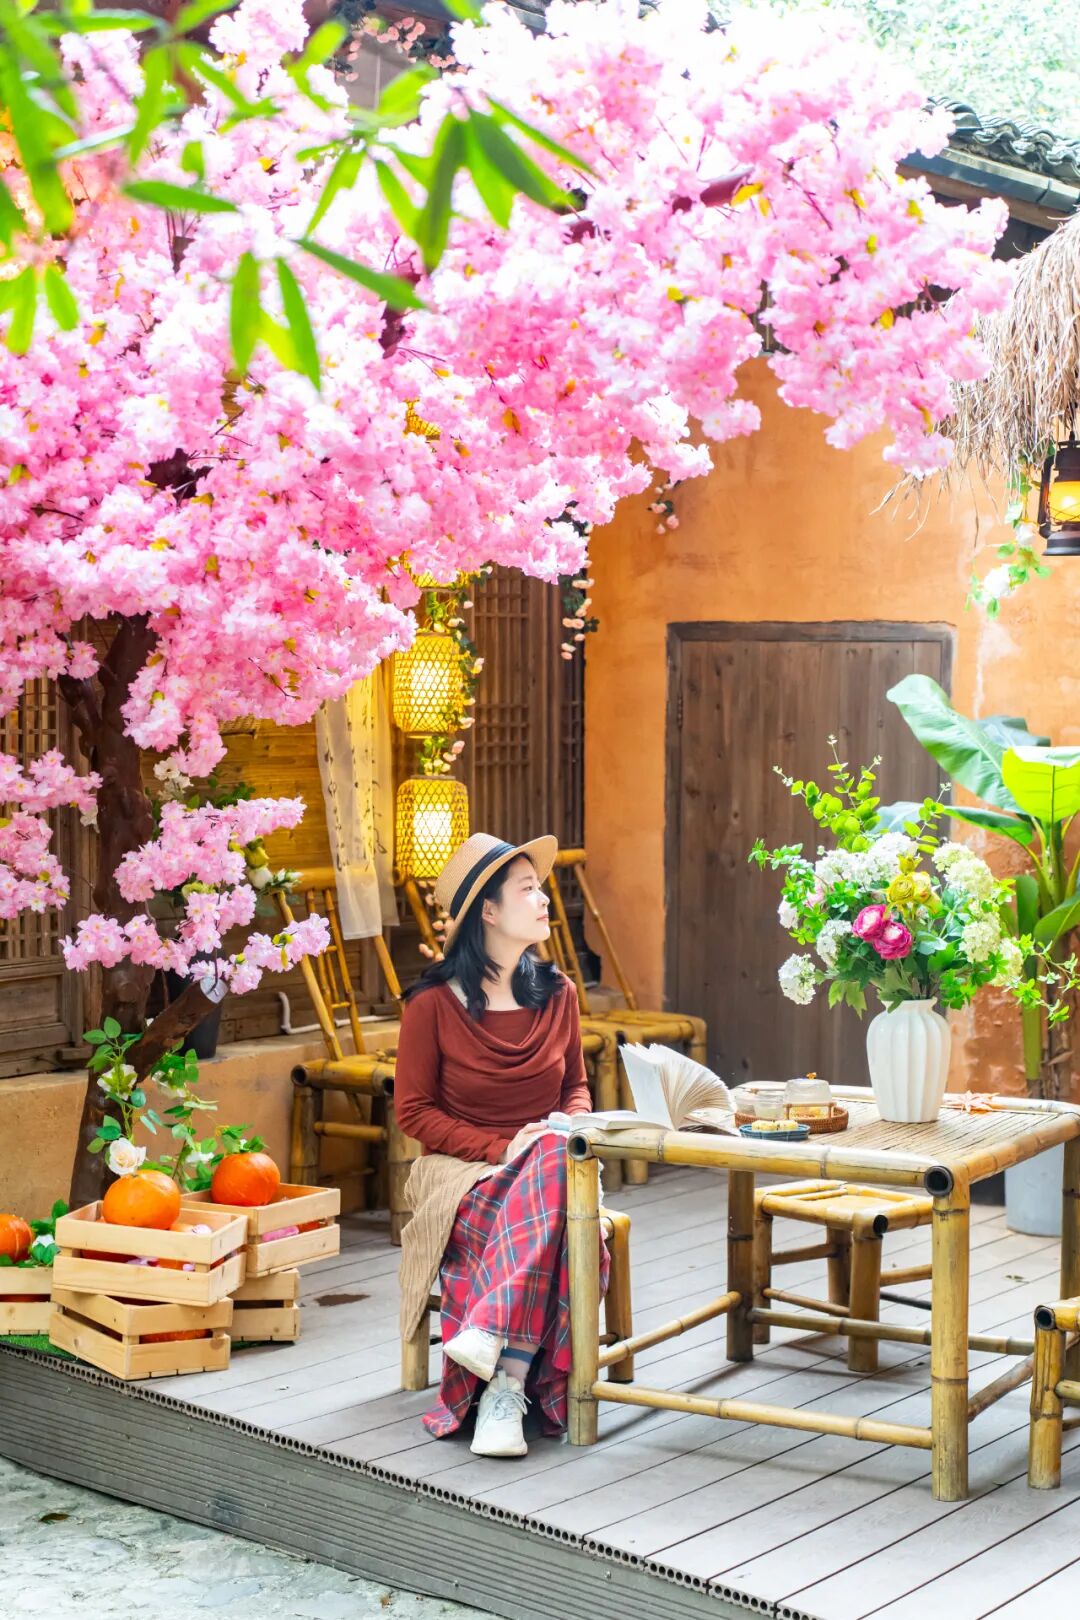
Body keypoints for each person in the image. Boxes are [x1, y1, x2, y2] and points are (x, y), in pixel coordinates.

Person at [394, 831, 610, 1459]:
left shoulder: (559, 994)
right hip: (463, 1172)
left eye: (541, 889)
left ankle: (499, 1368)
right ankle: (506, 1387)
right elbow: (414, 1112)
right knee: (560, 1202)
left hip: (547, 1165)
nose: (545, 901)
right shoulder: (432, 1005)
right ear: (487, 912)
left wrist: (567, 1126)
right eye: (528, 890)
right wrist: (501, 1149)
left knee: (554, 1155)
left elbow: (574, 1088)